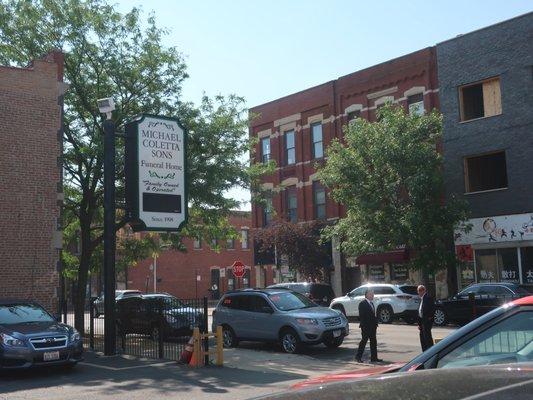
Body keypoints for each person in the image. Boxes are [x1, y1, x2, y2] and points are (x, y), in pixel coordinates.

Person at [355, 288, 382, 363]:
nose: (373, 295)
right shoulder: (362, 303)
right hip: (366, 327)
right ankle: (358, 357)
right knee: (364, 341)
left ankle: (374, 358)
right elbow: (362, 316)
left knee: (373, 342)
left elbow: (373, 315)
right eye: (371, 294)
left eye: (373, 294)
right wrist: (364, 326)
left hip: (373, 326)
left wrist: (376, 323)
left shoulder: (371, 303)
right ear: (367, 295)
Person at [417, 285, 435, 351]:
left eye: (420, 291)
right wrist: (419, 324)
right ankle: (424, 351)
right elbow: (419, 311)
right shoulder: (422, 299)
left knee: (427, 337)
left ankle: (430, 351)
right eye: (418, 291)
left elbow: (432, 309)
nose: (418, 292)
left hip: (426, 320)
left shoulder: (428, 298)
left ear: (423, 290)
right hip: (422, 321)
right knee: (422, 337)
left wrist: (429, 318)